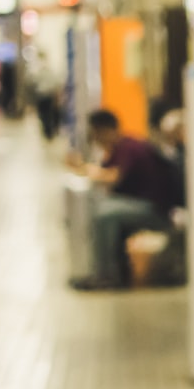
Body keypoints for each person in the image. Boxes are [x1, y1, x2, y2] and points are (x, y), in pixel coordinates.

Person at [67, 109, 176, 291]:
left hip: (155, 209)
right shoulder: (118, 150)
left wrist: (84, 169)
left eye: (97, 135)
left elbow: (113, 177)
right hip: (140, 205)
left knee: (105, 215)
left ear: (107, 130)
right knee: (104, 209)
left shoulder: (130, 147)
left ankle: (107, 276)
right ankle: (109, 271)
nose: (97, 141)